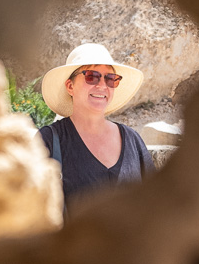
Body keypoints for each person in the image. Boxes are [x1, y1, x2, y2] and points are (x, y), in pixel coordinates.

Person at [38, 43, 154, 211]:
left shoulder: (132, 140)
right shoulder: (48, 140)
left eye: (110, 79)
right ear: (70, 86)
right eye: (91, 76)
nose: (102, 86)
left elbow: (155, 203)